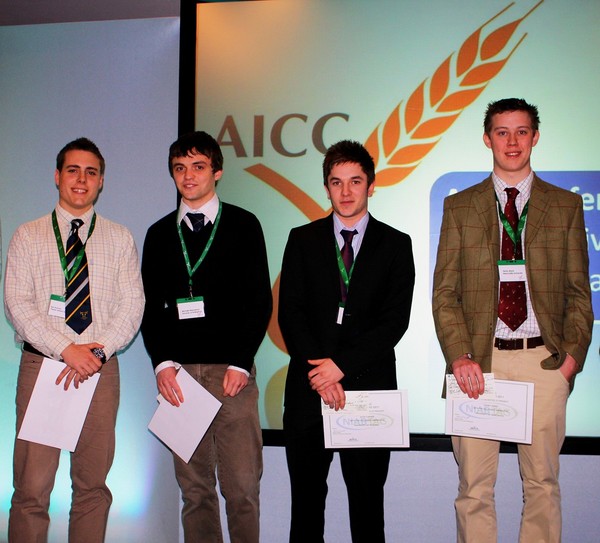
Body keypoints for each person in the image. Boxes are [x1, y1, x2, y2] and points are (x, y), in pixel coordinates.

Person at [432, 98, 593, 542]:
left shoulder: (565, 206)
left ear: (535, 137)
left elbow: (580, 293)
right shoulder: (459, 207)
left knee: (542, 484)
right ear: (488, 139)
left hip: (541, 363)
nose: (512, 141)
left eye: (522, 131)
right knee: (474, 490)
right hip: (477, 365)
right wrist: (459, 356)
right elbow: (445, 293)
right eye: (502, 132)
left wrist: (569, 363)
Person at [4, 137, 145, 543]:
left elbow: (133, 304)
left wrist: (96, 352)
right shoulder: (28, 235)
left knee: (92, 488)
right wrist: (66, 349)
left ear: (101, 182)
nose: (81, 180)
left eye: (91, 172)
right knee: (31, 489)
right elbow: (17, 302)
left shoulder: (120, 238)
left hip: (100, 370)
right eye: (73, 170)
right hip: (43, 367)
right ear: (57, 177)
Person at [278, 140, 415, 543]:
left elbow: (394, 323)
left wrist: (340, 367)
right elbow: (290, 314)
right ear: (326, 187)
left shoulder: (395, 244)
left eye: (356, 181)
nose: (346, 191)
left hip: (369, 390)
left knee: (368, 506)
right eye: (336, 182)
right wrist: (322, 371)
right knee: (305, 506)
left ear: (371, 185)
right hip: (308, 391)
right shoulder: (301, 240)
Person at [140, 131, 272, 543]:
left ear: (217, 171)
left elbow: (259, 301)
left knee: (243, 489)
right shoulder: (159, 234)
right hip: (179, 378)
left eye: (198, 167)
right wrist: (161, 364)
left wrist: (240, 361)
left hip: (231, 375)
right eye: (179, 169)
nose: (188, 177)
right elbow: (149, 308)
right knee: (195, 492)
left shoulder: (245, 224)